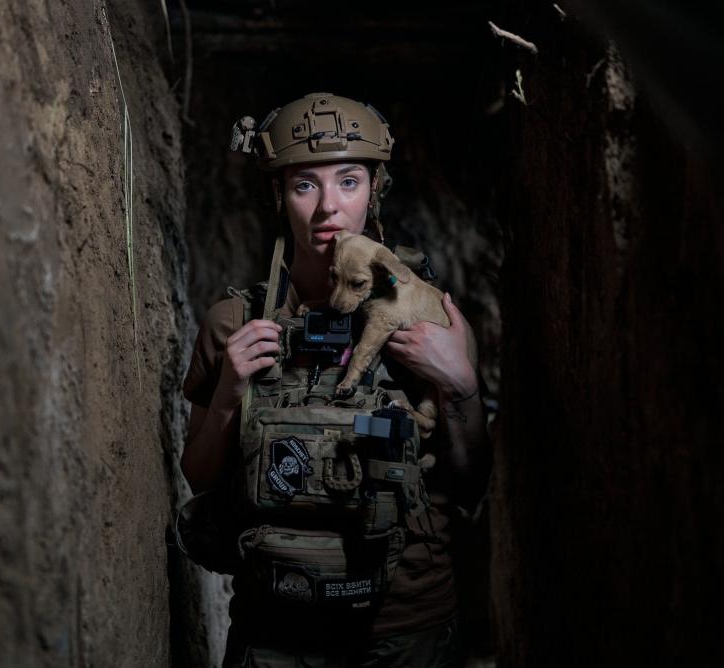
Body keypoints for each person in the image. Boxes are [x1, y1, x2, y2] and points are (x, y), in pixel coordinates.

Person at [179, 92, 491, 666]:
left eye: (349, 181)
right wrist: (230, 390)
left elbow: (470, 486)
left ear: (376, 190)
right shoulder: (235, 322)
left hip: (405, 627)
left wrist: (459, 383)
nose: (328, 208)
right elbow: (198, 476)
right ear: (278, 194)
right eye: (304, 185)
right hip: (276, 626)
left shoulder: (432, 318)